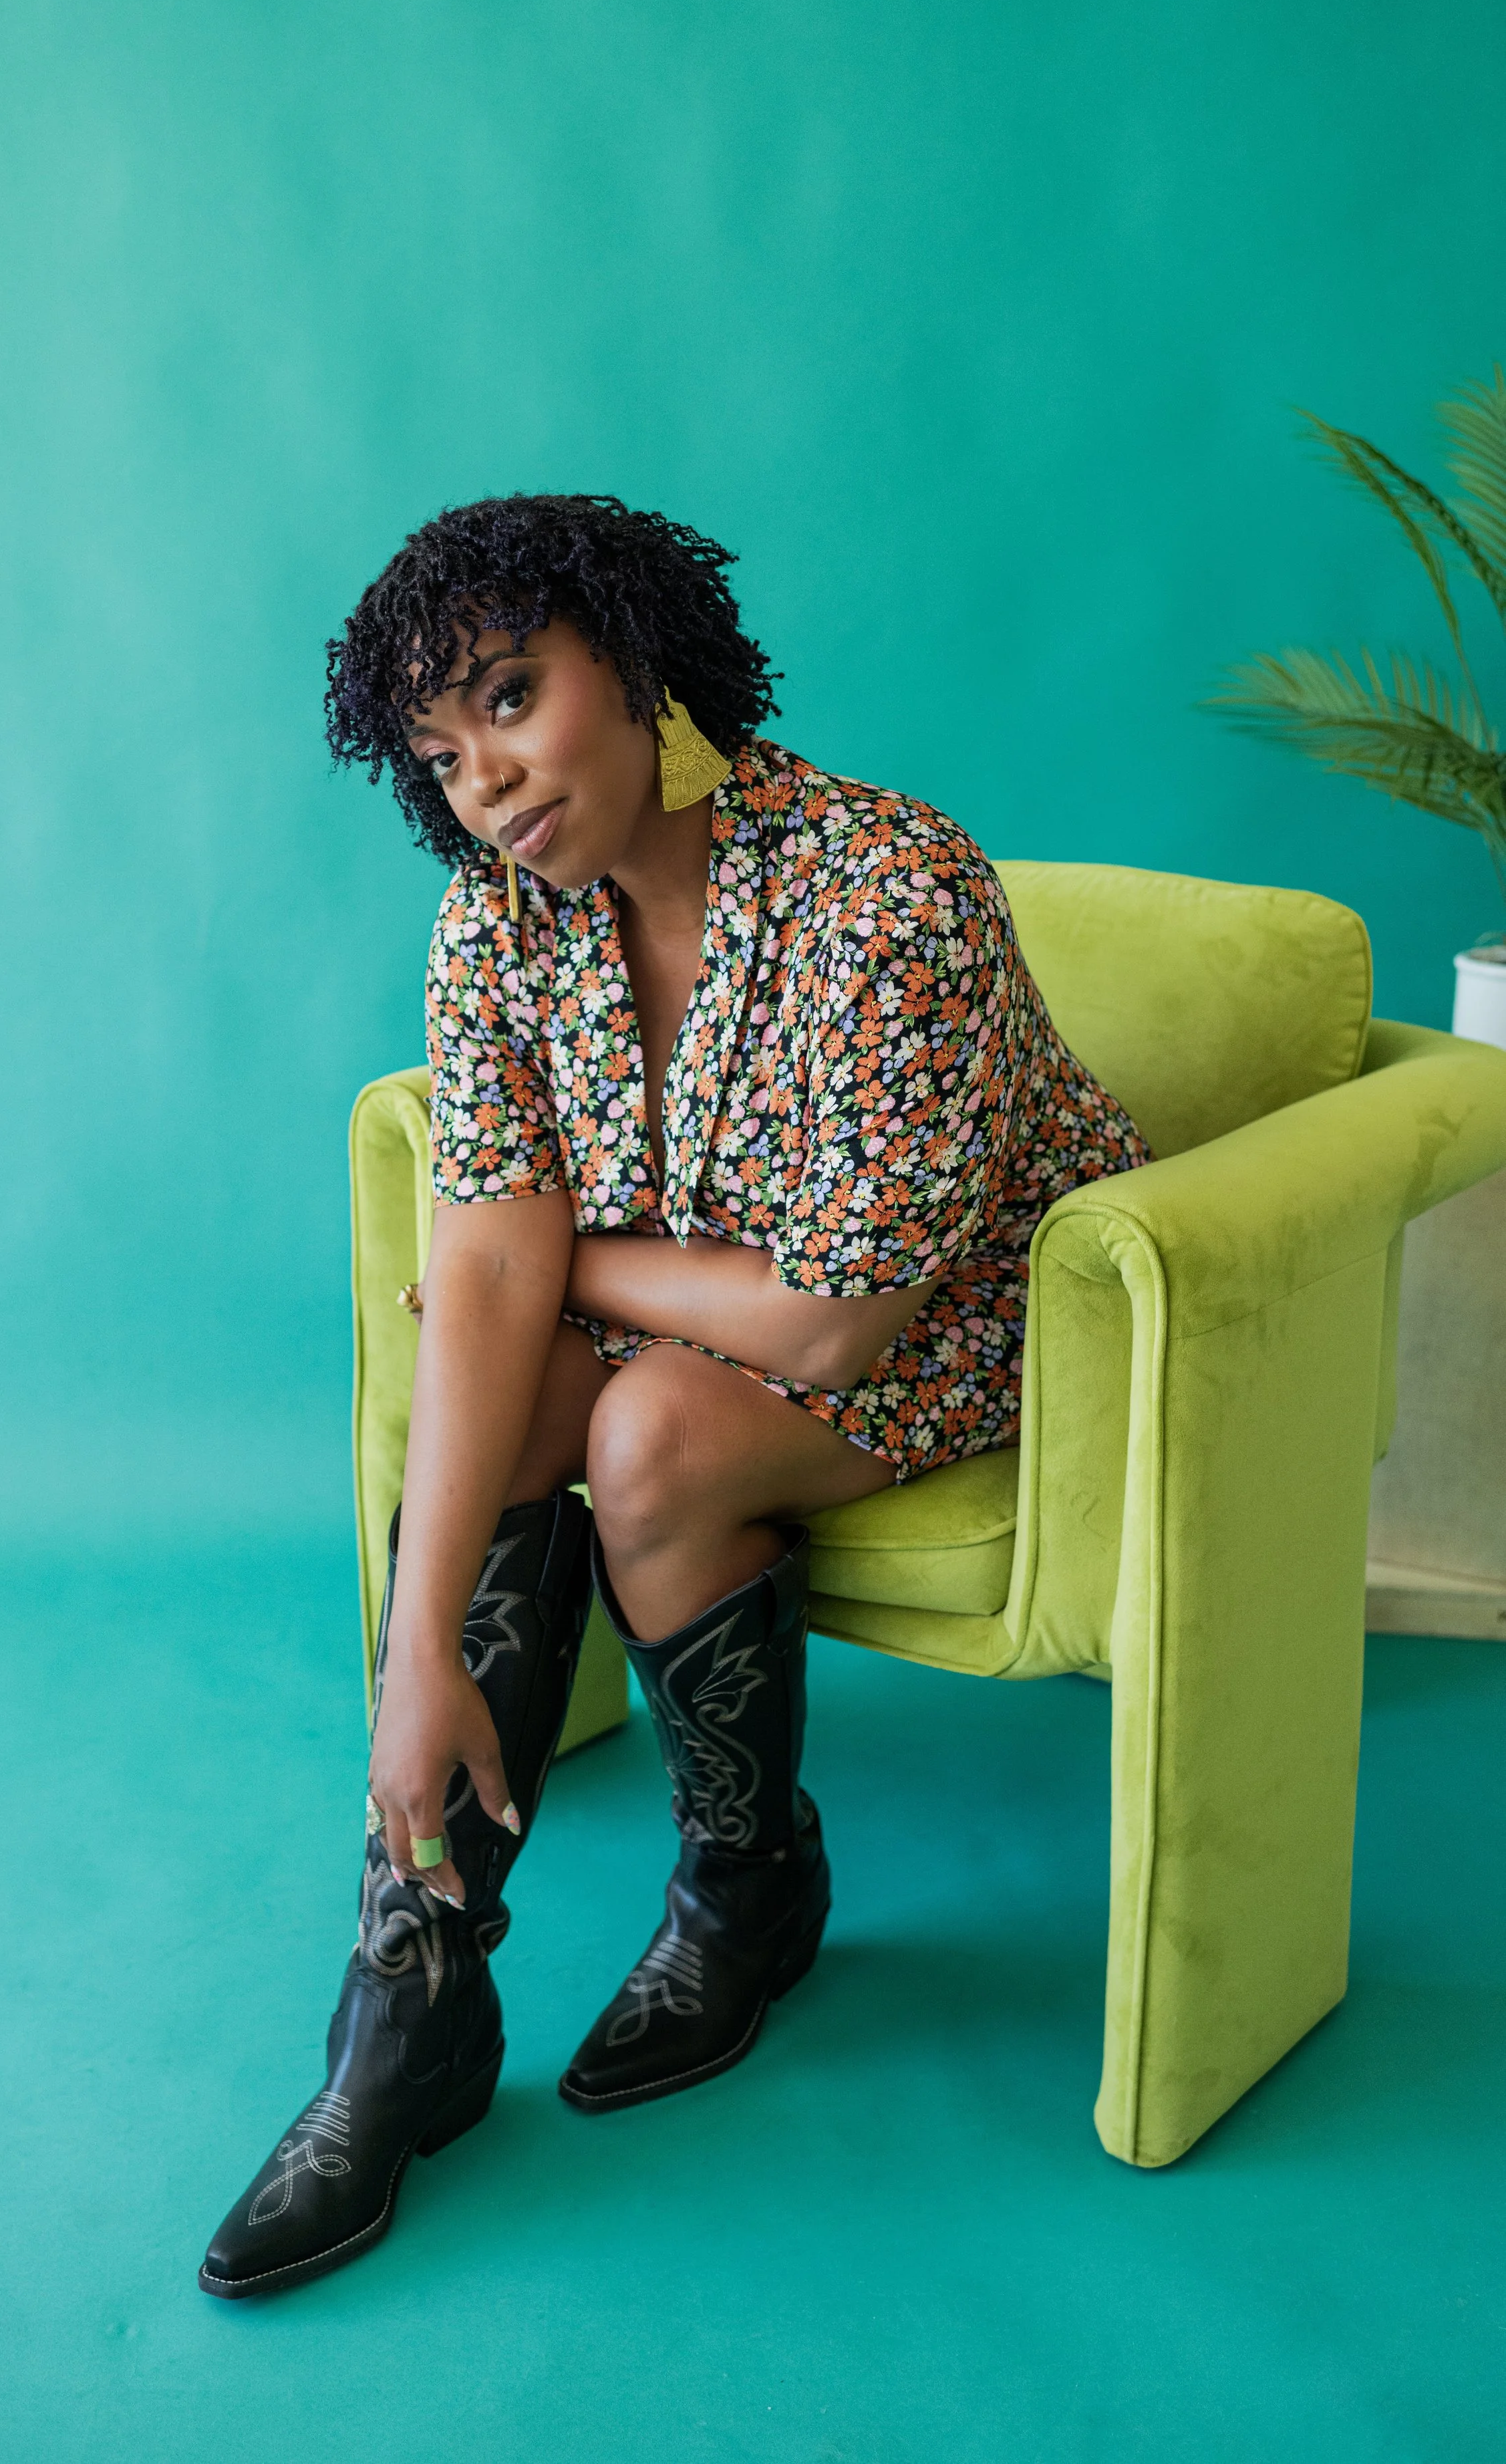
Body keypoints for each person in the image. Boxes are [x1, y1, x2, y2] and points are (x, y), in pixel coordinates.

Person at [198, 495, 1147, 2298]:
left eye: (508, 693)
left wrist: (557, 1258)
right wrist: (411, 1663)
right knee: (525, 1373)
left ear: (631, 661)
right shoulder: (496, 922)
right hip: (720, 1295)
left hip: (978, 1312)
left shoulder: (889, 886)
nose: (480, 771)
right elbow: (478, 1276)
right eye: (437, 745)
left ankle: (743, 1888)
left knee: (630, 1420)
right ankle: (411, 1996)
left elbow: (833, 1320)